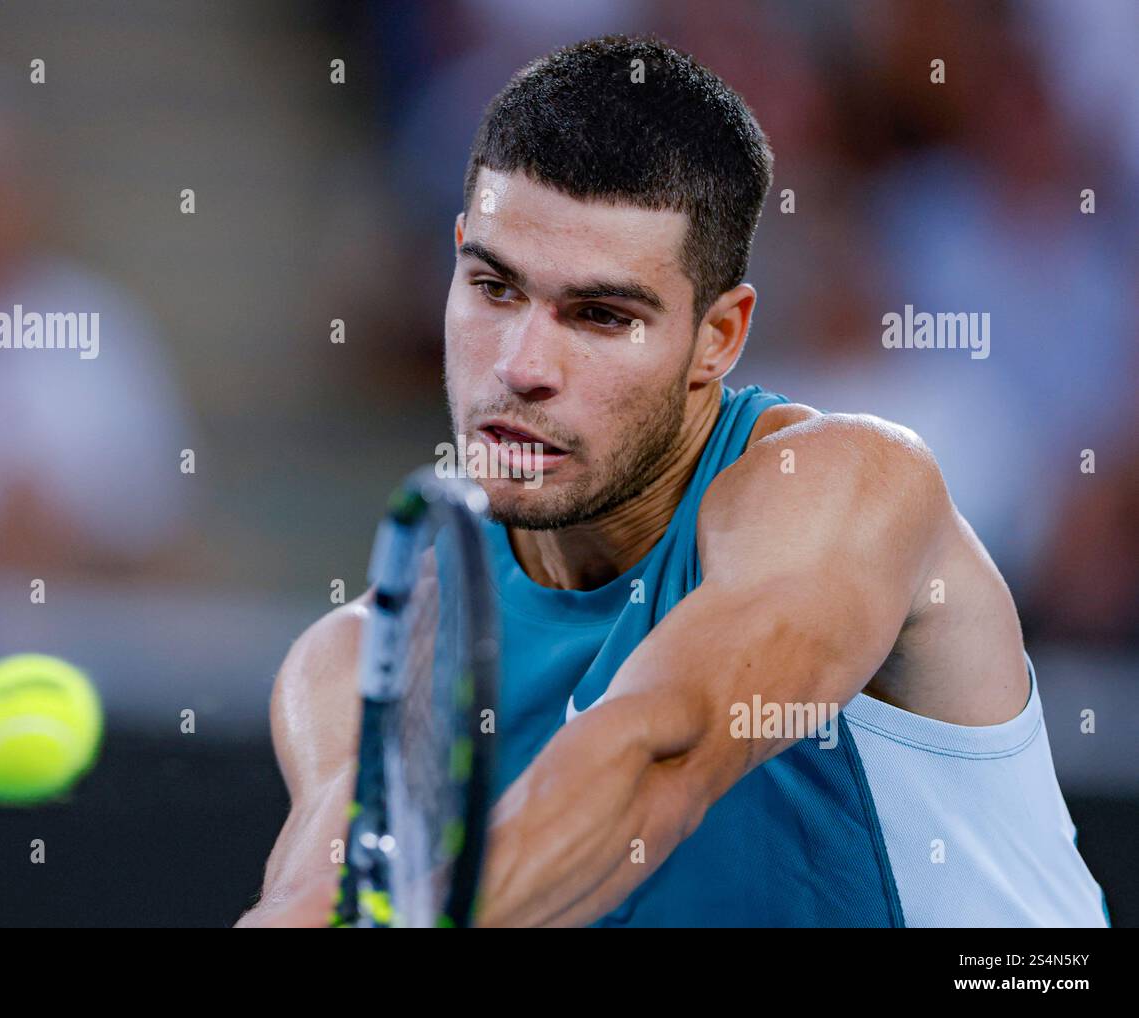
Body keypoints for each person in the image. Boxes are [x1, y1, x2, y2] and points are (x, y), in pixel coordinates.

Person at [238, 35, 1109, 928]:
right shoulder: (350, 664)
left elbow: (663, 754)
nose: (522, 365)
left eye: (602, 315)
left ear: (719, 338)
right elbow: (310, 902)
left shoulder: (852, 485)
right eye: (494, 288)